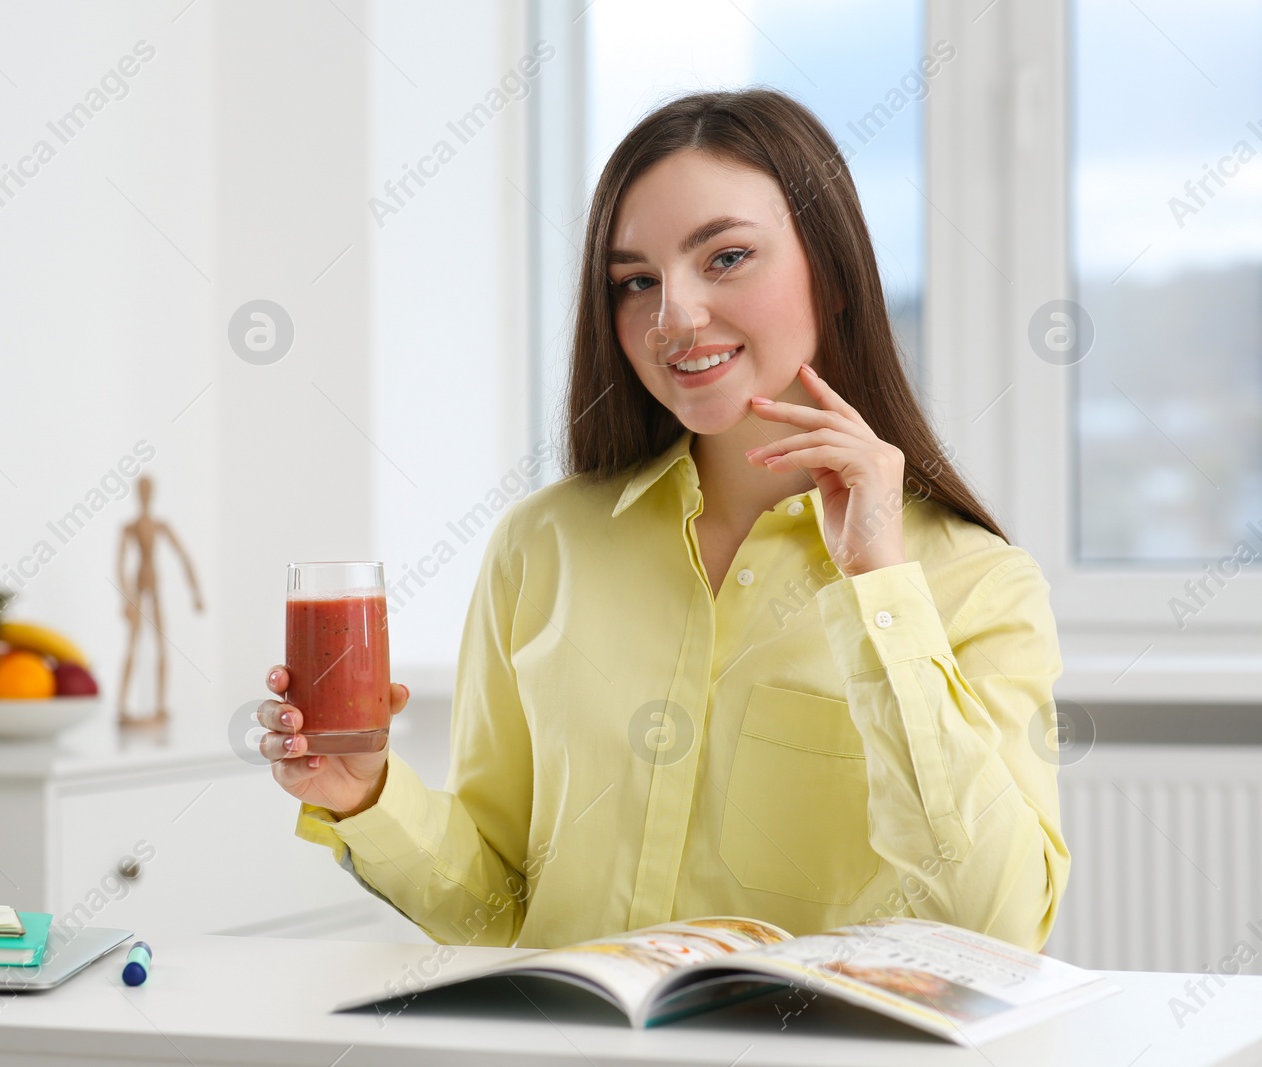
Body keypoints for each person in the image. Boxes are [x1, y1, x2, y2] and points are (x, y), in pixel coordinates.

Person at [256, 89, 1068, 952]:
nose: (672, 317)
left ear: (829, 272)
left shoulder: (974, 583)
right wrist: (365, 794)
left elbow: (996, 927)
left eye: (724, 258)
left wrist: (879, 589)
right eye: (636, 281)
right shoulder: (542, 549)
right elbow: (497, 908)